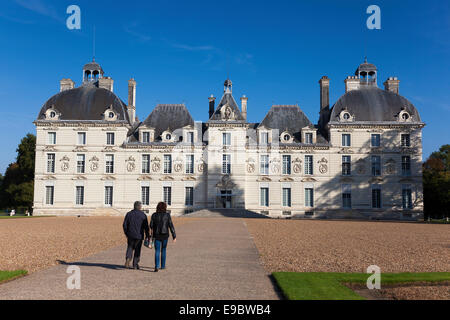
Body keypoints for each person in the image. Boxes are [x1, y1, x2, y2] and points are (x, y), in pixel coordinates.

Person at [123, 201, 150, 270]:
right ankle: (135, 264)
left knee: (130, 247)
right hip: (139, 235)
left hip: (130, 234)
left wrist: (126, 233)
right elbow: (146, 227)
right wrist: (147, 235)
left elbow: (124, 225)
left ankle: (128, 258)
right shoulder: (143, 215)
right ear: (140, 207)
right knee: (137, 249)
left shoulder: (129, 214)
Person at [150, 202, 176, 272]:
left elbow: (151, 225)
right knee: (163, 250)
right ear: (165, 208)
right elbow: (171, 225)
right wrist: (174, 236)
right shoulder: (167, 215)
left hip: (157, 235)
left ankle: (157, 266)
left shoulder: (154, 215)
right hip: (165, 235)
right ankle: (163, 265)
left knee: (157, 250)